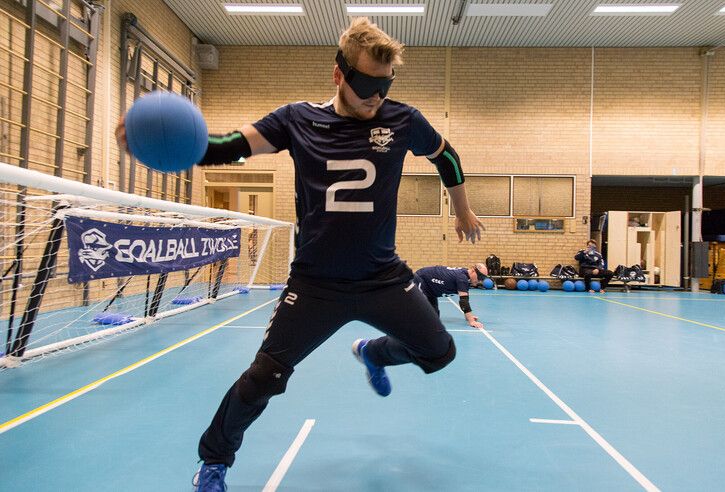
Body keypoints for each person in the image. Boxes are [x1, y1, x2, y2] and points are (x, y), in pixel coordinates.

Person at [117, 17, 483, 491]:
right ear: (339, 75)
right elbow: (231, 146)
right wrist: (180, 147)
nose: (375, 97)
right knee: (262, 377)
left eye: (384, 86)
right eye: (365, 84)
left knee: (440, 351)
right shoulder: (297, 119)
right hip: (315, 285)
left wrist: (463, 210)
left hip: (382, 279)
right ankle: (214, 464)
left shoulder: (402, 120)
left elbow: (446, 157)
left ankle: (374, 353)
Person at [414, 264, 488, 329]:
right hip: (421, 279)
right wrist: (471, 321)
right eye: (480, 277)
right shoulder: (462, 278)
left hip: (431, 290)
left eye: (482, 279)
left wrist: (468, 317)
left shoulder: (466, 278)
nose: (480, 281)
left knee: (434, 317)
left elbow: (465, 300)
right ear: (473, 271)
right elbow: (464, 302)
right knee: (420, 314)